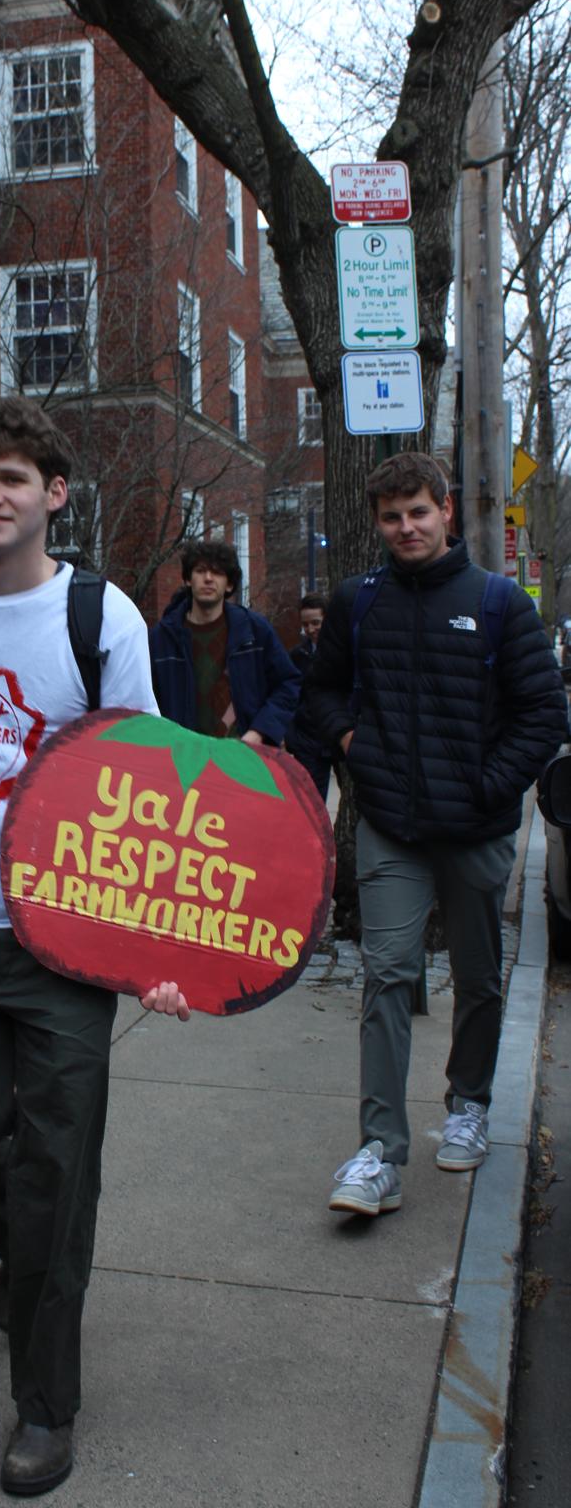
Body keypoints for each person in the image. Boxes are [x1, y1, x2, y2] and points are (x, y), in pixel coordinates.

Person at [0, 394, 187, 1498]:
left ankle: (46, 1407)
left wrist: (157, 948)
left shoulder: (101, 619)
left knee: (57, 1172)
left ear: (54, 495)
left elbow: (147, 787)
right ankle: (29, 1254)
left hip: (65, 945)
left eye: (11, 478)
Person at [306, 451, 567, 1218]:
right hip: (391, 824)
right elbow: (320, 692)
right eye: (391, 517)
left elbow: (544, 716)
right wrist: (351, 743)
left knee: (479, 977)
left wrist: (489, 785)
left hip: (475, 829)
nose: (406, 527)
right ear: (377, 523)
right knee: (386, 974)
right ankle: (379, 1153)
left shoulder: (496, 603)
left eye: (418, 512)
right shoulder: (359, 602)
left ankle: (469, 1103)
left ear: (446, 511)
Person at [149, 538, 300, 746]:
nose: (208, 578)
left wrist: (259, 732)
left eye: (217, 572)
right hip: (181, 755)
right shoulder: (162, 638)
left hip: (242, 754)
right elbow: (144, 700)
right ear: (188, 580)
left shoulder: (254, 631)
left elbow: (289, 684)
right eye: (200, 571)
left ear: (229, 584)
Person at [284, 591, 335, 800]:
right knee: (311, 800)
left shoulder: (341, 651)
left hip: (336, 737)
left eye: (316, 623)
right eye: (305, 625)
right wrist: (293, 737)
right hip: (308, 742)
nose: (310, 629)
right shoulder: (298, 655)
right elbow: (289, 696)